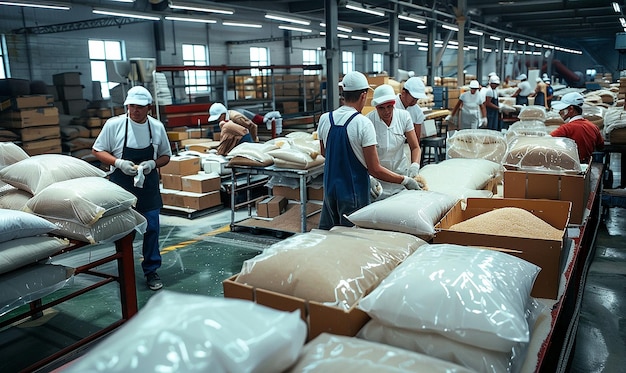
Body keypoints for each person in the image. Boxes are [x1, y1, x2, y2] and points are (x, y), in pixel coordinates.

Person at [317, 71, 421, 230]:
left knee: (328, 236)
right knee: (353, 238)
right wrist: (405, 180)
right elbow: (374, 168)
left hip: (330, 190)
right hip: (353, 191)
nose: (386, 111)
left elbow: (324, 153)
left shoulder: (325, 118)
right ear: (364, 96)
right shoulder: (363, 123)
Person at [92, 86, 172, 291]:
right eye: (132, 106)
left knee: (152, 227)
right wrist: (118, 163)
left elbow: (165, 156)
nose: (135, 111)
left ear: (149, 108)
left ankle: (151, 270)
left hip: (148, 186)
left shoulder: (156, 127)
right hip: (122, 185)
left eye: (140, 107)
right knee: (125, 230)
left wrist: (152, 165)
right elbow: (97, 149)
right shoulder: (114, 125)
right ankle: (124, 268)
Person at [366, 84, 421, 200]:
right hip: (378, 183)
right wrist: (368, 178)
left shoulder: (404, 117)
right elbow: (362, 157)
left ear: (394, 104)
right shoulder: (368, 122)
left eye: (390, 106)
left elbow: (415, 147)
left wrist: (414, 166)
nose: (386, 111)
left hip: (401, 179)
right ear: (376, 107)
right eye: (381, 108)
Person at [550, 92, 604, 163]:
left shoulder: (566, 129)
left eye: (562, 109)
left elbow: (548, 142)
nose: (559, 112)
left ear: (571, 109)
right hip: (587, 165)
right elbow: (601, 146)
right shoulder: (593, 127)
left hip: (571, 166)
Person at [395, 77, 427, 147]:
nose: (415, 101)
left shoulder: (417, 112)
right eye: (413, 98)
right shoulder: (391, 106)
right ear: (403, 93)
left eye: (417, 99)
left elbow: (416, 141)